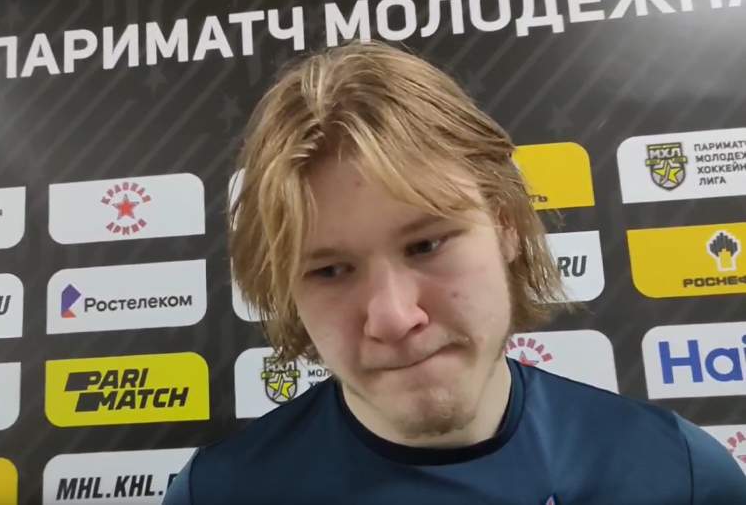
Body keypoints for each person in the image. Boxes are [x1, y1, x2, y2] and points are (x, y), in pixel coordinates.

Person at [163, 41, 746, 504]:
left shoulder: (678, 474)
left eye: (426, 245)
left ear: (506, 225)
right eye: (331, 270)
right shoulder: (220, 493)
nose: (393, 317)